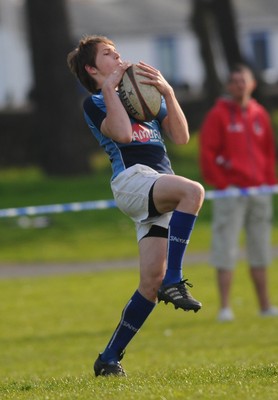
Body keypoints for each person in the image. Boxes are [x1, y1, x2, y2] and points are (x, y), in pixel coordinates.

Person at [67, 35, 205, 376]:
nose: (118, 57)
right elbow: (123, 136)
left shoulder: (139, 97)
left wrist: (168, 92)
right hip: (133, 180)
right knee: (194, 192)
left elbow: (182, 137)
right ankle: (176, 277)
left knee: (150, 285)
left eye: (116, 52)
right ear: (92, 68)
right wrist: (111, 89)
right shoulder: (96, 101)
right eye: (108, 54)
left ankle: (108, 359)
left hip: (158, 181)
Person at [199, 64, 278, 322]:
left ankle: (265, 306)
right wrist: (223, 184)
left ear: (252, 84)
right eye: (234, 81)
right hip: (230, 193)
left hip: (259, 191)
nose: (240, 85)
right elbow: (207, 154)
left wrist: (268, 182)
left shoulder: (259, 114)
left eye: (243, 80)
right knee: (226, 248)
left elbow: (267, 153)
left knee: (260, 248)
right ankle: (224, 308)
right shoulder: (218, 115)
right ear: (229, 86)